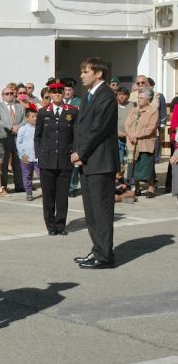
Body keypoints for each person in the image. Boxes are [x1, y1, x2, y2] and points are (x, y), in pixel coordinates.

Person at [72, 58, 119, 270]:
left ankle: (105, 256)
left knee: (101, 212)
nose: (82, 75)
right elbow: (80, 128)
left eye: (85, 71)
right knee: (90, 212)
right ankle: (97, 249)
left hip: (100, 162)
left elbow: (98, 129)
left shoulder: (107, 96)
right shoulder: (88, 96)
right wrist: (76, 152)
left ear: (98, 74)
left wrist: (80, 152)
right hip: (87, 161)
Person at [35, 79, 77, 236]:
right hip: (47, 159)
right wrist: (38, 154)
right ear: (50, 94)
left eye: (60, 92)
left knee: (62, 195)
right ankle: (50, 225)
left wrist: (75, 152)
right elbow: (37, 136)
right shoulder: (43, 112)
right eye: (54, 92)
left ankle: (61, 225)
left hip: (65, 159)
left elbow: (76, 135)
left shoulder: (72, 111)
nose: (58, 94)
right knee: (48, 195)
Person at [124, 88, 159, 198]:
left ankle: (150, 188)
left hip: (146, 144)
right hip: (132, 144)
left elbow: (150, 128)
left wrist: (136, 135)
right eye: (139, 98)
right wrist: (130, 135)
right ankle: (137, 188)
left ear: (148, 99)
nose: (139, 100)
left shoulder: (153, 111)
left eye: (142, 98)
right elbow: (127, 124)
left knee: (147, 167)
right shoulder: (134, 110)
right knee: (134, 167)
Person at [0, 83, 25, 193]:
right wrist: (10, 127)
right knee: (4, 162)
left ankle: (19, 185)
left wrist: (18, 127)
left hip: (18, 136)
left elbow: (25, 119)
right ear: (3, 96)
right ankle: (4, 185)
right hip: (5, 136)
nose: (9, 95)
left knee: (19, 162)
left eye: (11, 93)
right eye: (7, 94)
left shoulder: (19, 107)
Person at [16, 109, 39, 201]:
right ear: (27, 118)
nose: (35, 118)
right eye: (32, 116)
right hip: (26, 157)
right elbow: (19, 143)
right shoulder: (23, 129)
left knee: (42, 175)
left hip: (38, 157)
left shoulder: (40, 128)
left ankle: (46, 192)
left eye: (36, 116)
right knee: (27, 175)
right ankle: (29, 192)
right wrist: (22, 155)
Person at [115, 87, 132, 167]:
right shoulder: (113, 106)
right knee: (119, 160)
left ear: (128, 96)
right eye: (119, 94)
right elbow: (110, 122)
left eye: (124, 94)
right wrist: (117, 132)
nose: (121, 96)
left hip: (131, 137)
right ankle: (120, 178)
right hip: (118, 137)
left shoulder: (134, 105)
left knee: (131, 160)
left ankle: (131, 178)